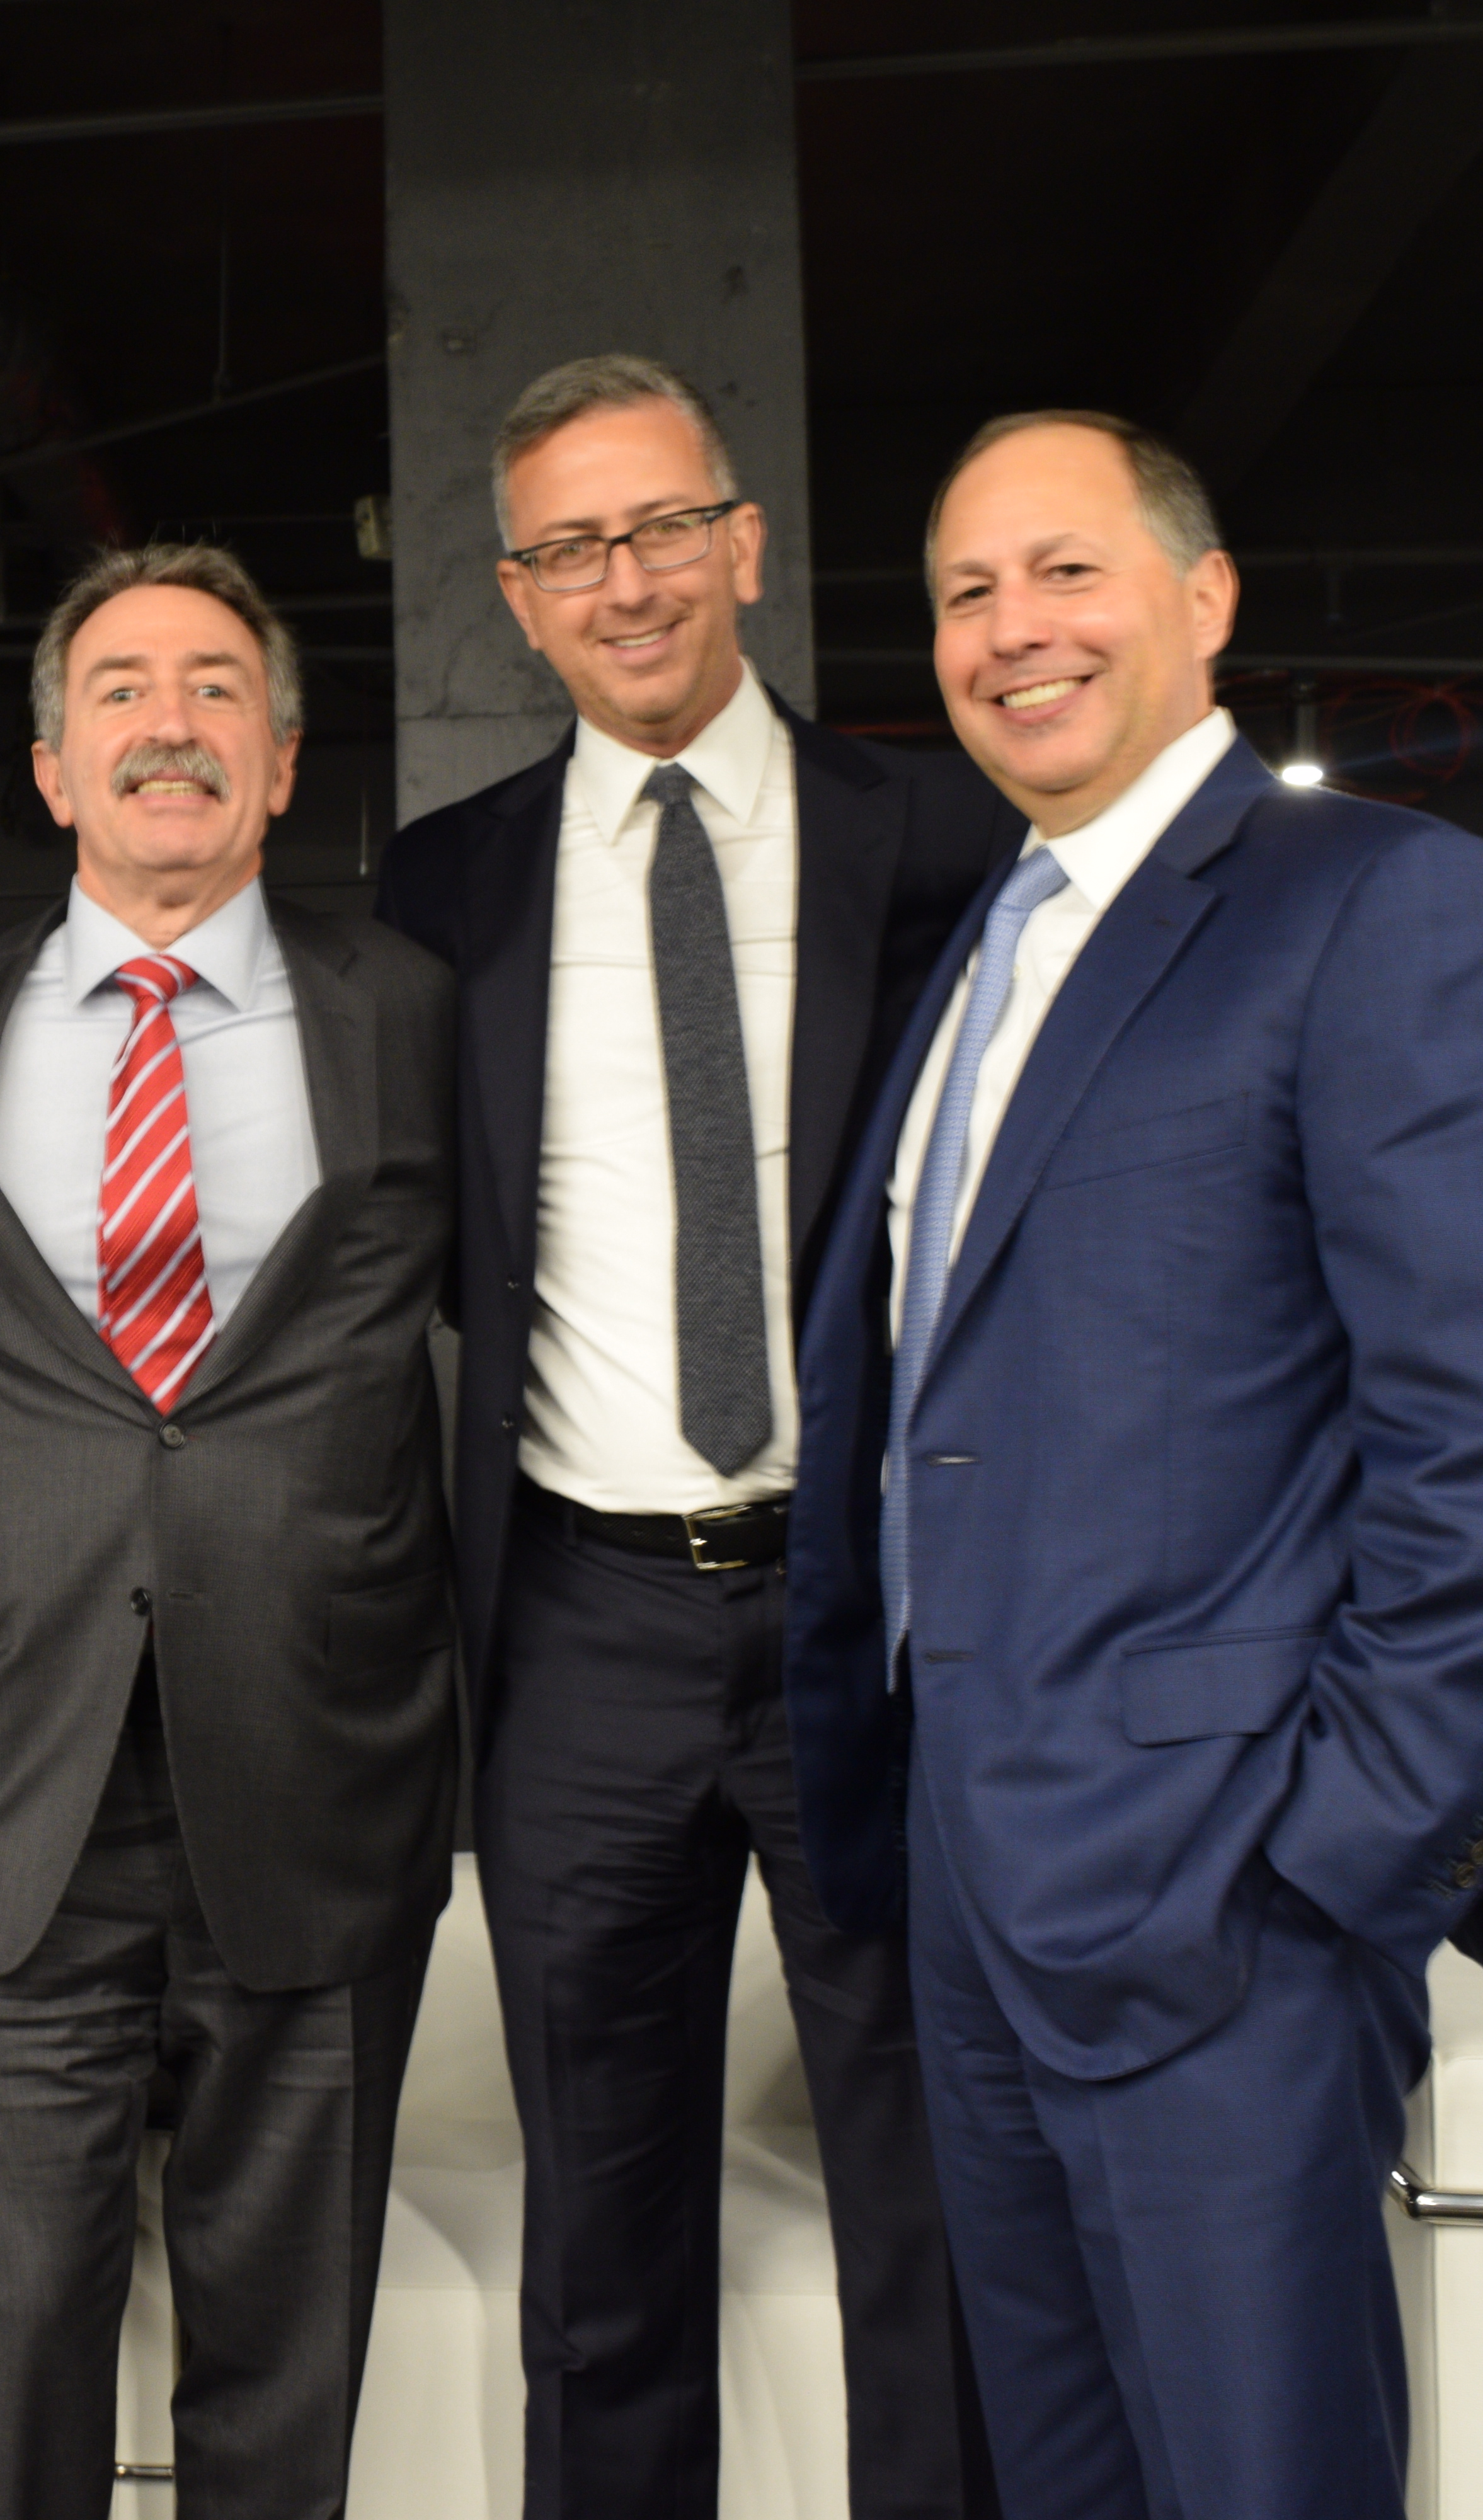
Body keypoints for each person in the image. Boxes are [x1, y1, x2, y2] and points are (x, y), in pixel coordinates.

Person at [785, 411, 1483, 2519]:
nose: (1011, 631)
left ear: (1205, 596)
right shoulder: (988, 946)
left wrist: (1331, 1864)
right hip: (975, 1896)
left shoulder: (1386, 907)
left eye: (1065, 570)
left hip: (1227, 1908)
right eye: (968, 592)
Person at [373, 353, 1008, 2520]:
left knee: (935, 2197)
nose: (622, 582)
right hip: (581, 1627)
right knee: (603, 2229)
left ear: (743, 543)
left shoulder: (936, 845)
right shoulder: (439, 893)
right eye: (569, 549)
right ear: (515, 601)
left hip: (870, 1619)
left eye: (659, 530)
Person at [0, 542, 460, 2520]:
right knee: (5, 2360)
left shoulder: (419, 1019)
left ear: (283, 762)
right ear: (50, 764)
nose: (169, 721)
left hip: (319, 1779)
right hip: (7, 1794)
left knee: (286, 2385)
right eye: (120, 686)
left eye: (216, 687)